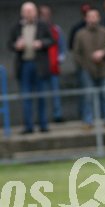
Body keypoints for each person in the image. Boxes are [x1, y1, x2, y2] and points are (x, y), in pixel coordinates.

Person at [8, 1, 54, 134]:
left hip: (39, 64)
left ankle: (43, 124)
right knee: (26, 97)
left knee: (41, 96)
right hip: (24, 65)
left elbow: (51, 40)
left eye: (30, 11)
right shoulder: (17, 26)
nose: (28, 13)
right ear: (22, 13)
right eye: (25, 11)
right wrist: (17, 45)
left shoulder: (43, 25)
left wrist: (41, 43)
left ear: (35, 12)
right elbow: (9, 44)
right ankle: (28, 126)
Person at [73, 8, 105, 128]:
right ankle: (88, 120)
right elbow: (76, 53)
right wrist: (84, 65)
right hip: (87, 70)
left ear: (99, 18)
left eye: (94, 16)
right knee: (88, 97)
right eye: (89, 16)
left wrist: (103, 53)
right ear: (86, 18)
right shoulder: (80, 34)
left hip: (104, 69)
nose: (92, 19)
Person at [39, 5, 66, 123]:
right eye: (43, 14)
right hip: (41, 67)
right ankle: (43, 118)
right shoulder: (36, 30)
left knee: (56, 93)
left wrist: (59, 59)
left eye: (47, 14)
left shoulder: (56, 29)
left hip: (54, 66)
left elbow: (62, 47)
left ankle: (57, 115)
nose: (45, 17)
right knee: (42, 94)